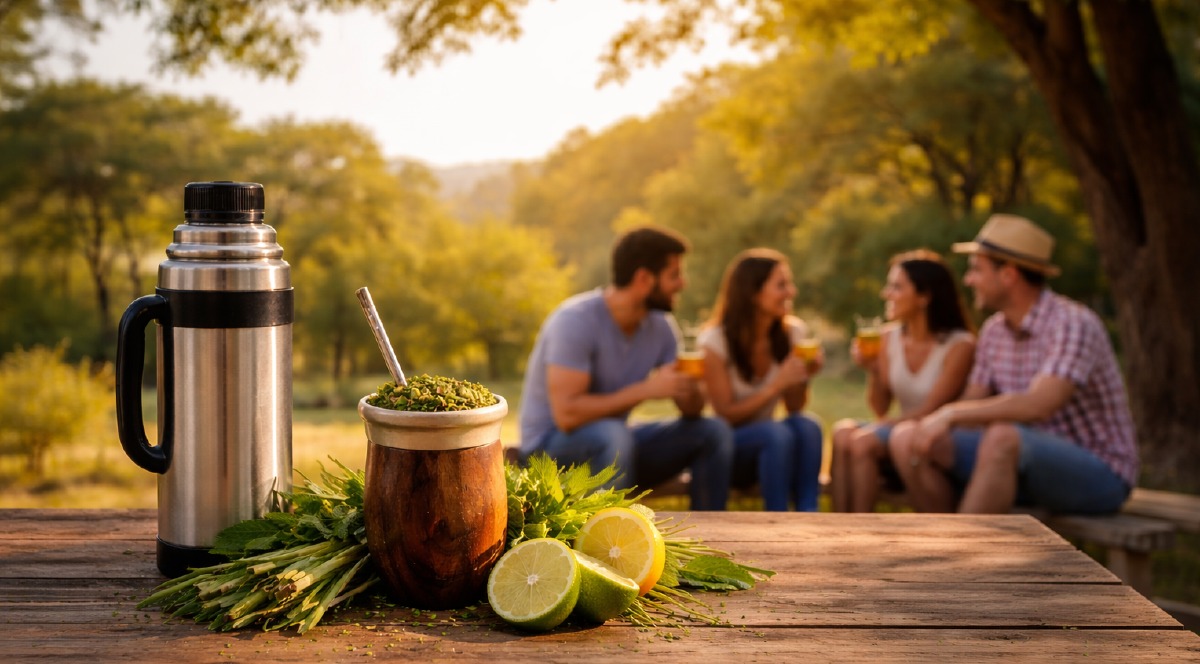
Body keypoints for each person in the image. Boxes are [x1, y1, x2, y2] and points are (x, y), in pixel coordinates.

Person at [889, 214, 1139, 514]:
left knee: (1002, 436)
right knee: (907, 439)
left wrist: (950, 412)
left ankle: (962, 556)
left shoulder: (1072, 323)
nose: (968, 280)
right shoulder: (994, 330)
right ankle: (937, 546)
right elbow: (973, 402)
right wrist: (926, 426)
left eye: (976, 270)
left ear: (1008, 275)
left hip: (1098, 474)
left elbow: (1040, 405)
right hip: (1016, 461)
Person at [518, 226, 734, 510]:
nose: (683, 284)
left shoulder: (660, 326)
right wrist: (645, 390)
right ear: (644, 279)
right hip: (548, 451)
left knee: (713, 431)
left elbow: (690, 411)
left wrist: (691, 387)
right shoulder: (574, 321)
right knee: (613, 435)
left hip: (615, 446)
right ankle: (610, 544)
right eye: (674, 275)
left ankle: (711, 537)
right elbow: (567, 415)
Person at [830, 250, 976, 513]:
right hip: (898, 428)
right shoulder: (888, 337)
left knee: (862, 441)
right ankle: (837, 528)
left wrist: (883, 425)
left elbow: (933, 409)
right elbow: (880, 408)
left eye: (896, 287)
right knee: (841, 432)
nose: (887, 294)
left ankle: (858, 533)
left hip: (934, 432)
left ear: (924, 296)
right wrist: (873, 370)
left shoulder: (960, 345)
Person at [697, 249, 824, 511]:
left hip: (776, 445)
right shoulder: (714, 342)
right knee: (775, 432)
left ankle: (808, 515)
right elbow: (725, 414)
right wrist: (776, 384)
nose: (791, 292)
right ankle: (776, 520)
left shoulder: (793, 332)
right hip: (732, 451)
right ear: (753, 294)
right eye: (781, 285)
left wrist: (803, 377)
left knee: (808, 425)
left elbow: (794, 407)